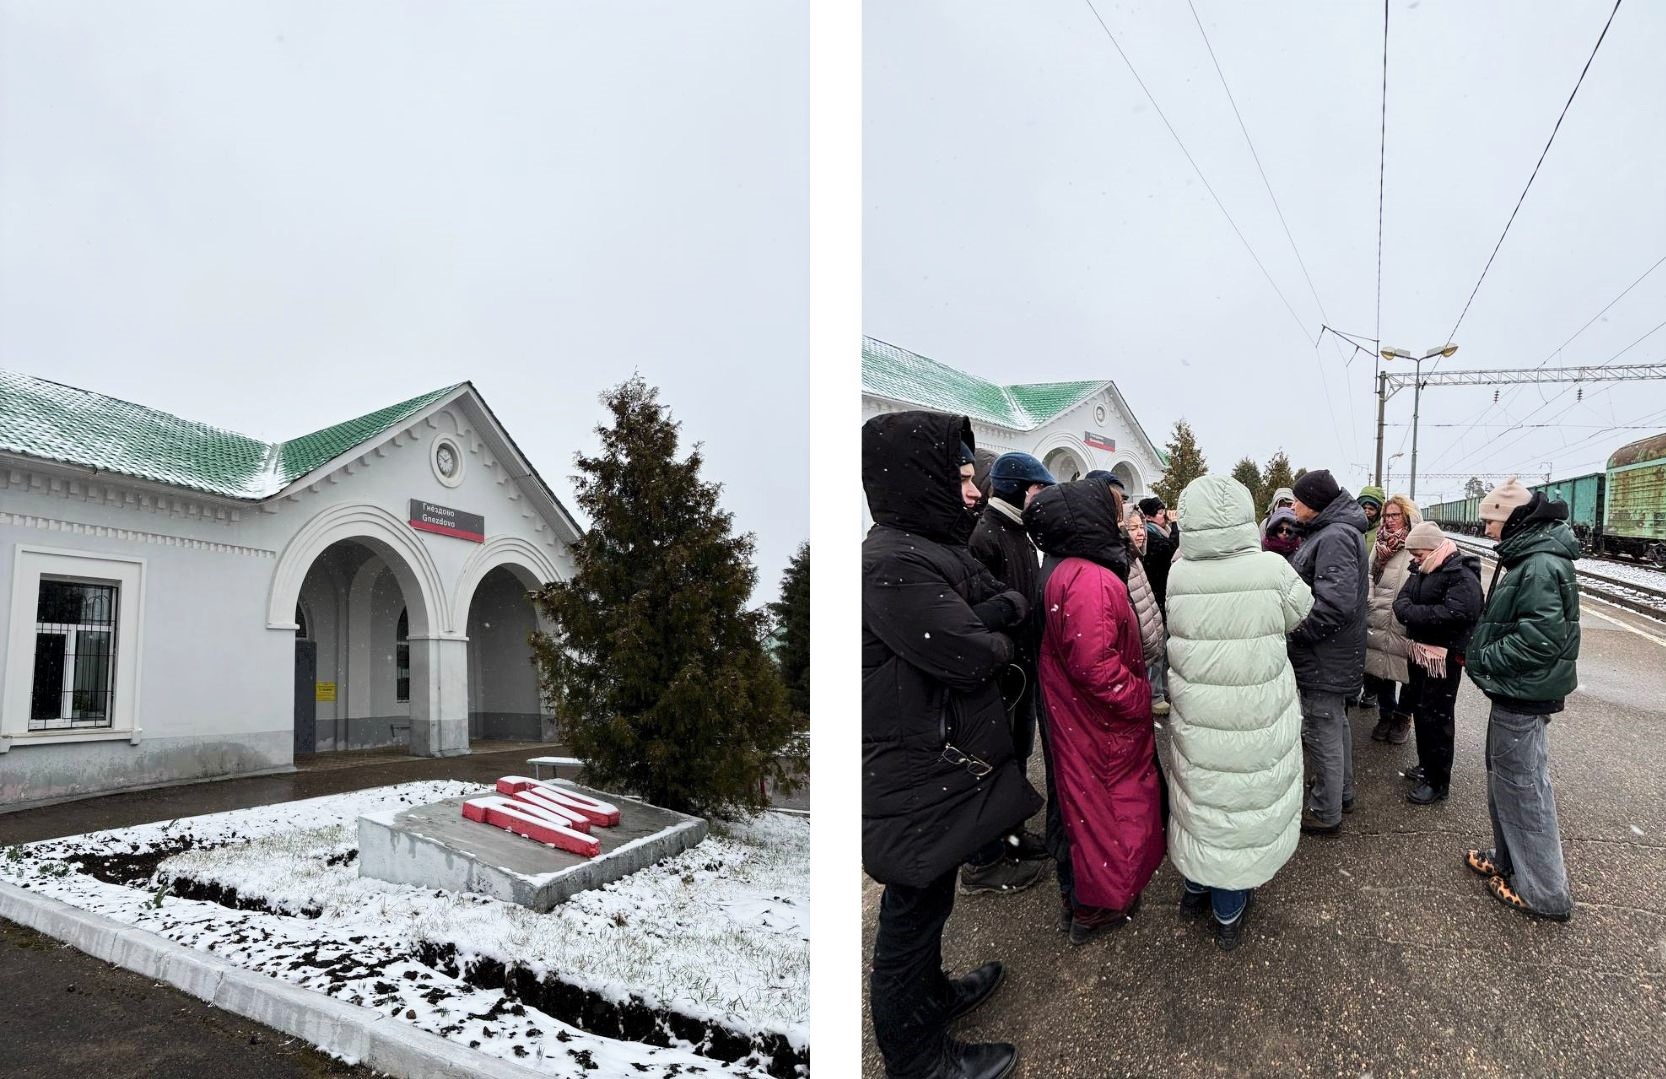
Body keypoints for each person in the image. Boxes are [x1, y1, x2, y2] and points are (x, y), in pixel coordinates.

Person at [862, 411, 1043, 1079]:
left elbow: (1005, 600)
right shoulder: (893, 563)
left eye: (973, 476)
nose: (974, 489)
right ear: (921, 479)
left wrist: (989, 616)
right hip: (910, 766)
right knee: (910, 912)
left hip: (931, 760)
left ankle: (931, 998)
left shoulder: (931, 546)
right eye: (961, 475)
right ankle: (916, 1059)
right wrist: (992, 631)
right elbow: (968, 651)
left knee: (931, 896)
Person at [1165, 475, 1313, 950]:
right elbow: (1303, 611)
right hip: (1254, 714)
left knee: (1203, 799)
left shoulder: (1178, 572)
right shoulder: (1270, 568)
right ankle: (1228, 913)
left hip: (1198, 713)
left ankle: (1193, 890)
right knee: (1242, 805)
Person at [1026, 480, 1165, 946]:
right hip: (1100, 725)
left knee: (1084, 815)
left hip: (1077, 719)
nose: (1123, 519)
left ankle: (1086, 900)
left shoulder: (1065, 569)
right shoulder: (1092, 579)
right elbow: (1099, 669)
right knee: (1108, 817)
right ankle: (1096, 906)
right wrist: (1139, 699)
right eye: (1115, 510)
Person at [1463, 478, 1579, 921]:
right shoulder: (1532, 557)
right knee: (1508, 783)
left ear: (1512, 519)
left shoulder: (1538, 565)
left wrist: (1484, 657)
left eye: (1491, 522)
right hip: (1518, 692)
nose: (1488, 531)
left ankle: (1543, 892)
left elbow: (1540, 640)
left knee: (1524, 789)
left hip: (1524, 694)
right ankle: (1510, 860)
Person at [962, 452, 1057, 892]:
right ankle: (986, 860)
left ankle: (1014, 836)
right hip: (1003, 675)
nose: (1040, 498)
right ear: (1020, 489)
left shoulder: (1017, 531)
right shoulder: (986, 535)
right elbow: (983, 611)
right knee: (997, 763)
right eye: (1038, 490)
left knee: (1017, 756)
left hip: (1021, 668)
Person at [1286, 469, 1370, 837]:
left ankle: (1325, 810)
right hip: (1333, 654)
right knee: (1335, 726)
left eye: (1297, 499)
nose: (1292, 506)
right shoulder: (1335, 531)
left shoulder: (1334, 536)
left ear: (1315, 502)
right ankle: (1343, 794)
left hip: (1323, 655)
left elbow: (1335, 605)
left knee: (1322, 730)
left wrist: (1297, 632)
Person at [1392, 522, 1483, 806]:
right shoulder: (1423, 569)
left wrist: (1414, 614)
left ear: (1432, 548)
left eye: (1417, 553)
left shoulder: (1460, 575)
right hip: (1422, 654)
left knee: (1438, 718)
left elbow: (1457, 613)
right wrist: (1416, 613)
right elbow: (1401, 602)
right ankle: (1426, 766)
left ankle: (1438, 781)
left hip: (1443, 660)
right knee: (1422, 712)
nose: (1414, 560)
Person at [1364, 494, 1422, 745]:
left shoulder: (1417, 543)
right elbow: (1368, 575)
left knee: (1409, 672)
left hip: (1405, 620)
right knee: (1381, 671)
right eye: (1386, 515)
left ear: (1406, 516)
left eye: (1395, 515)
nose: (1389, 520)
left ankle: (1403, 717)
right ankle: (1386, 714)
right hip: (1379, 614)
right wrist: (1371, 599)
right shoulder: (1379, 545)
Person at [1123, 506, 1168, 716]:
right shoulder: (1122, 562)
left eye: (1141, 527)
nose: (1141, 533)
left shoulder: (1136, 558)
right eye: (1133, 528)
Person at [1354, 485, 1387, 708]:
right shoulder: (1354, 528)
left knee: (1373, 643)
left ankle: (1371, 690)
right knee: (1356, 643)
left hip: (1374, 589)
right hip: (1354, 590)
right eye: (1364, 506)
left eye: (1372, 507)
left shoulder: (1381, 533)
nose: (1367, 511)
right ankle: (1356, 686)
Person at [1138, 496, 1179, 614]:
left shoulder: (1163, 531)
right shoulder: (1150, 534)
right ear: (1148, 517)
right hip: (1158, 588)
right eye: (1160, 513)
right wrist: (1175, 525)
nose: (1165, 516)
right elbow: (1170, 551)